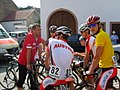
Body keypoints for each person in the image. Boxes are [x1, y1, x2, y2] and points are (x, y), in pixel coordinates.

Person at [86, 15, 117, 90]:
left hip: (107, 68)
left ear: (99, 25)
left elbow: (97, 56)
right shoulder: (103, 34)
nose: (91, 28)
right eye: (89, 26)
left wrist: (90, 71)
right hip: (109, 67)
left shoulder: (100, 36)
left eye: (93, 25)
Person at [40, 26, 75, 90]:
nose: (55, 36)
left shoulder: (52, 41)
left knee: (42, 85)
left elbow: (47, 58)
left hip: (56, 78)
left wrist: (47, 68)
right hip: (67, 78)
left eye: (57, 34)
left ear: (61, 35)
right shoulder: (72, 50)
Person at [17, 23, 43, 90]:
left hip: (32, 61)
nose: (40, 31)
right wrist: (28, 64)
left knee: (34, 79)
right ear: (33, 30)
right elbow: (29, 51)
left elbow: (39, 47)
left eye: (40, 30)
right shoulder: (29, 36)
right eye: (38, 30)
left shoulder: (38, 37)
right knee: (22, 79)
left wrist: (40, 57)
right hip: (23, 61)